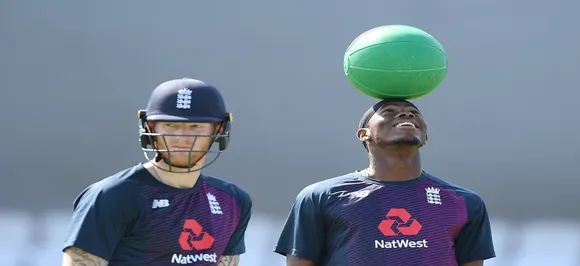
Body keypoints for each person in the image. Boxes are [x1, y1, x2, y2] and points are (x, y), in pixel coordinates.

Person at [273, 99, 496, 266]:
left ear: (425, 136)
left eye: (413, 113)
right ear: (363, 134)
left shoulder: (465, 201)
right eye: (389, 112)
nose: (405, 115)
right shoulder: (320, 196)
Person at [61, 78, 252, 266]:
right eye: (171, 126)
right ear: (149, 127)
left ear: (218, 130)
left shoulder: (232, 201)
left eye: (195, 126)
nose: (181, 138)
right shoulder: (112, 195)